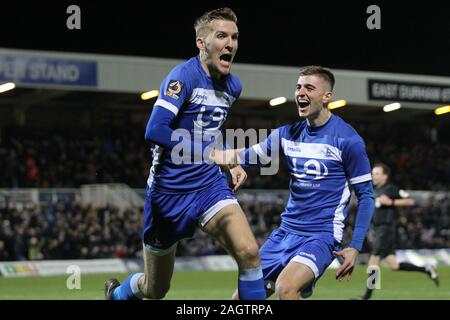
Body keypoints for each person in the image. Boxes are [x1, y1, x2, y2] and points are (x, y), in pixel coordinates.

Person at [104, 7, 266, 300]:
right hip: (168, 195)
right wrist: (211, 155)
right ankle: (116, 295)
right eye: (221, 36)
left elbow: (207, 128)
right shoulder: (182, 77)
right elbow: (155, 131)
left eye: (235, 37)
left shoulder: (233, 86)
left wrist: (228, 160)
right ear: (201, 43)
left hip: (207, 187)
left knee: (250, 253)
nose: (230, 44)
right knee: (155, 290)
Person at [211, 66, 375, 300]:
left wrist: (356, 245)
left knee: (285, 289)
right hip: (284, 233)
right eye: (298, 87)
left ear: (327, 96)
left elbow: (367, 195)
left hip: (321, 235)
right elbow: (246, 154)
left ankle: (301, 280)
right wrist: (208, 153)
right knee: (241, 299)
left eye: (309, 88)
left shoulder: (348, 140)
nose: (301, 92)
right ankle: (303, 282)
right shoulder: (286, 135)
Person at [356, 163, 439, 300]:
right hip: (379, 229)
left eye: (376, 173)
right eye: (372, 173)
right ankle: (427, 269)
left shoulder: (391, 188)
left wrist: (392, 203)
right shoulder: (375, 190)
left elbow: (411, 201)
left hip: (386, 229)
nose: (373, 176)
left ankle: (366, 297)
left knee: (374, 260)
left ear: (385, 176)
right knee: (394, 265)